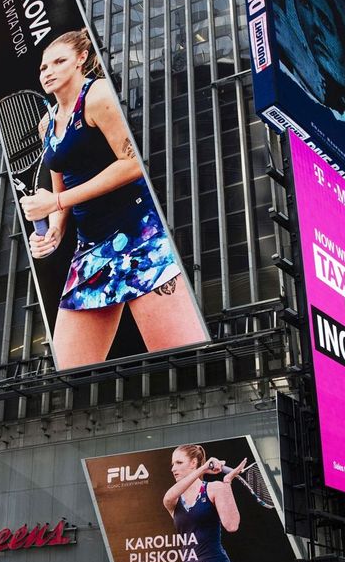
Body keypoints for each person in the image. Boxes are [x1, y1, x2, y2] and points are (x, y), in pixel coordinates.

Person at [20, 29, 206, 370]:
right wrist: (56, 230)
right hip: (91, 250)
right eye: (43, 67)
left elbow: (133, 164)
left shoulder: (98, 95)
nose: (48, 71)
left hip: (139, 238)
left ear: (80, 61)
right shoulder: (46, 123)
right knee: (67, 373)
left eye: (59, 61)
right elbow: (59, 186)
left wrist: (56, 205)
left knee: (188, 363)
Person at [162, 444, 247, 562]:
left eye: (179, 463)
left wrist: (227, 483)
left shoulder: (214, 488)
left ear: (193, 463)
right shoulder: (174, 501)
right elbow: (167, 497)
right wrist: (203, 469)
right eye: (172, 464)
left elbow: (232, 525)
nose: (173, 468)